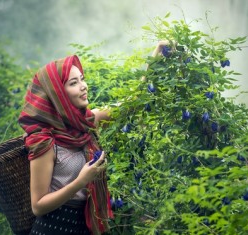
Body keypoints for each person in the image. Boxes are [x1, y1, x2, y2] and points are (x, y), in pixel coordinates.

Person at [18, 42, 170, 235]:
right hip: (54, 227)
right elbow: (38, 206)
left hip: (84, 225)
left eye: (82, 79)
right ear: (58, 95)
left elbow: (134, 103)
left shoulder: (87, 121)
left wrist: (156, 57)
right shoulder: (44, 141)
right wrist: (81, 181)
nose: (83, 87)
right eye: (73, 83)